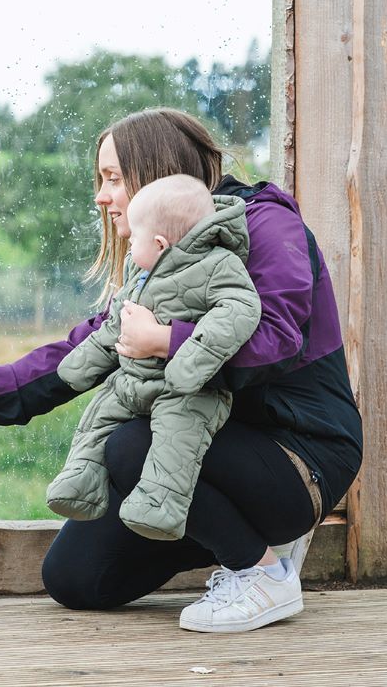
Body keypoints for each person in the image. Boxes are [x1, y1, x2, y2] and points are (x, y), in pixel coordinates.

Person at [0, 107, 363, 634]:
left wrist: (166, 341)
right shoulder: (156, 262)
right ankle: (238, 534)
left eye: (112, 179)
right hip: (200, 445)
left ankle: (262, 572)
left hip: (300, 453)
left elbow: (280, 340)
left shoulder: (265, 224)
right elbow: (76, 354)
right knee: (76, 579)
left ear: (154, 170)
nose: (101, 197)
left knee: (131, 444)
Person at [46, 174, 262, 543]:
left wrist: (189, 358)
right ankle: (80, 483)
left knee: (177, 441)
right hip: (132, 380)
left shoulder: (217, 266)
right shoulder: (140, 273)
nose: (128, 248)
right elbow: (117, 324)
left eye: (133, 241)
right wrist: (81, 365)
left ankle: (160, 506)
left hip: (188, 391)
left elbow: (240, 309)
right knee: (99, 414)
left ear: (160, 243)